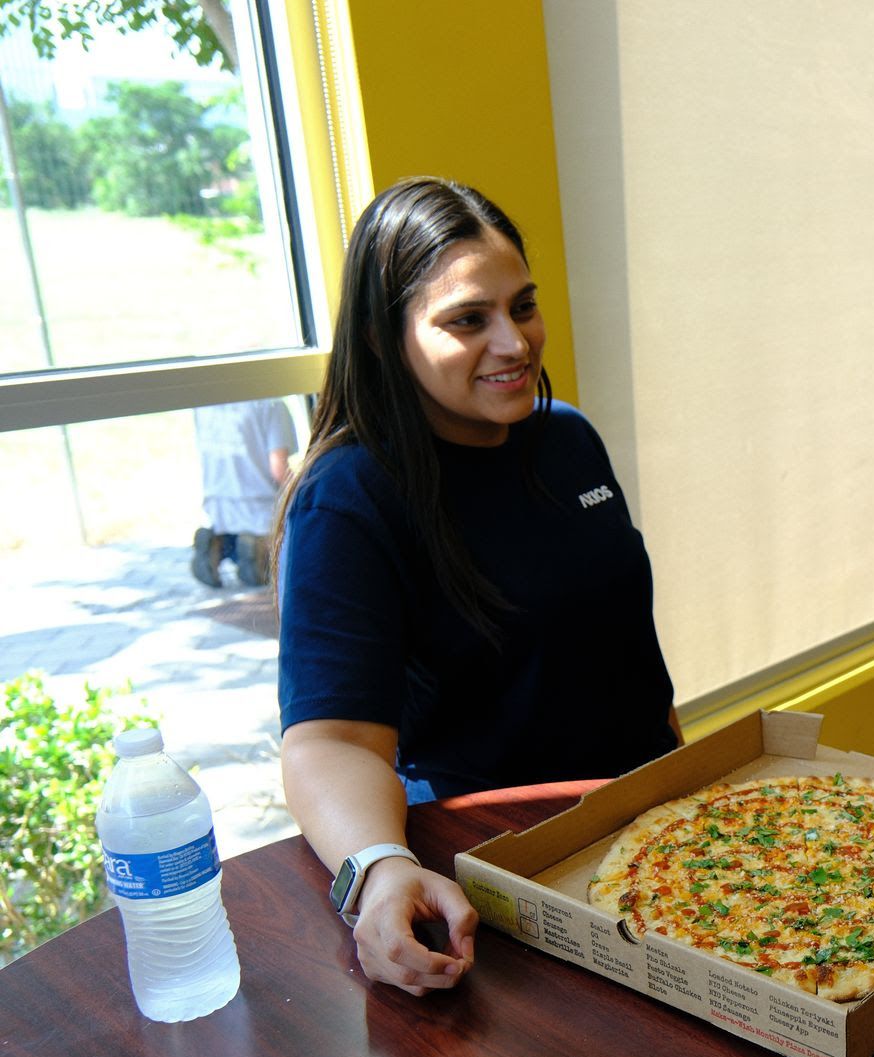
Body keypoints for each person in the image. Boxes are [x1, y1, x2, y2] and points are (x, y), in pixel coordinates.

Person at [273, 178, 682, 996]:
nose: (514, 341)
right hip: (497, 873)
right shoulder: (351, 497)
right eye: (469, 319)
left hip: (653, 837)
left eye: (522, 306)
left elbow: (623, 649)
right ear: (387, 339)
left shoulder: (567, 441)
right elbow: (330, 744)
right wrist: (382, 870)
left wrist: (683, 775)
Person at [191, 397, 298, 587]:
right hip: (260, 510)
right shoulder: (271, 404)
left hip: (218, 507)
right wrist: (300, 492)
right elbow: (278, 468)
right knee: (285, 543)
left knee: (233, 541)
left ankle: (218, 544)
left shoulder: (205, 403)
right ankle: (259, 552)